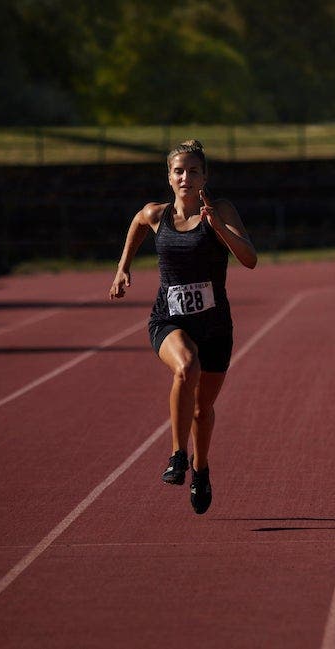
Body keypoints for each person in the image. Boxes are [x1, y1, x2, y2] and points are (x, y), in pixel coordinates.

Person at [109, 139, 257, 515]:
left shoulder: (220, 210)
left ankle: (201, 469)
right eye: (178, 171)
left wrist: (217, 225)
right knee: (185, 366)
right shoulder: (158, 215)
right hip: (169, 319)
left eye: (193, 171)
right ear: (169, 177)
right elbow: (138, 222)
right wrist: (123, 266)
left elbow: (249, 259)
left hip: (215, 328)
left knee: (201, 410)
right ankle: (177, 454)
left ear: (205, 176)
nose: (185, 177)